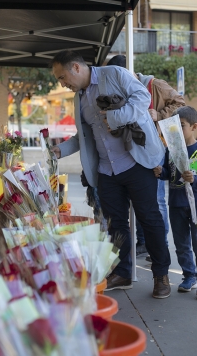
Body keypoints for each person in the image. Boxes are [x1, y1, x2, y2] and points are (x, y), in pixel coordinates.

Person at [50, 50, 171, 299]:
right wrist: (59, 150)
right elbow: (84, 136)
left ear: (75, 67)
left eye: (62, 77)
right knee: (115, 225)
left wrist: (116, 117)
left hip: (136, 162)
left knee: (149, 219)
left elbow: (142, 97)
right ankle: (123, 272)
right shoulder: (79, 98)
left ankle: (161, 275)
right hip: (106, 170)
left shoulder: (114, 73)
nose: (62, 84)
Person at [107, 55, 185, 258]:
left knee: (157, 199)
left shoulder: (154, 84)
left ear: (129, 73)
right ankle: (144, 242)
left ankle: (160, 246)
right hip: (134, 150)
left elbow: (180, 103)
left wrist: (160, 115)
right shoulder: (120, 90)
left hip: (157, 147)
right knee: (140, 199)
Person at [154, 106, 197, 292]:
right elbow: (167, 173)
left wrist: (194, 179)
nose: (178, 131)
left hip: (195, 205)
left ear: (194, 127)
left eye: (182, 126)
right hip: (176, 204)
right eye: (175, 127)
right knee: (181, 245)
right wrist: (159, 172)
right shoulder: (170, 150)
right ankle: (189, 275)